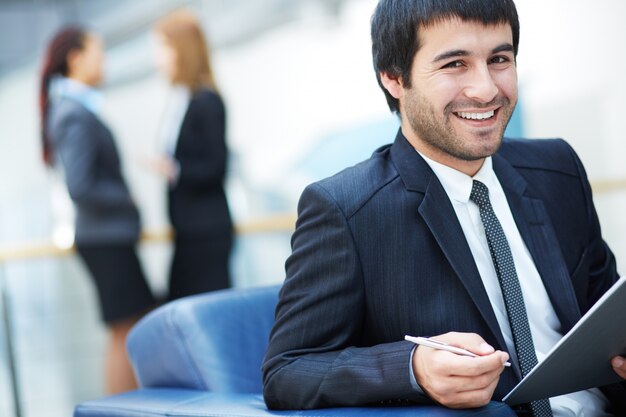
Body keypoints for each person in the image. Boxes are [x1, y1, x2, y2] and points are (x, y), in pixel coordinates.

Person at [262, 0, 626, 415]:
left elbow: (605, 308)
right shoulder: (346, 210)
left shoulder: (557, 170)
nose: (486, 88)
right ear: (394, 78)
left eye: (499, 59)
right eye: (455, 64)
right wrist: (412, 368)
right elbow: (287, 371)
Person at [40, 26, 156, 394]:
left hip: (106, 238)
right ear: (75, 58)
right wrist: (126, 198)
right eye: (97, 52)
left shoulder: (73, 108)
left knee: (128, 327)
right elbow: (80, 186)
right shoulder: (73, 113)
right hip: (105, 239)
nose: (103, 61)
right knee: (124, 330)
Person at [146, 10, 233, 300]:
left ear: (181, 50)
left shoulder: (206, 102)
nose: (158, 58)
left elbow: (217, 165)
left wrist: (175, 169)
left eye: (163, 49)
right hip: (188, 233)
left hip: (205, 234)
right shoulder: (181, 100)